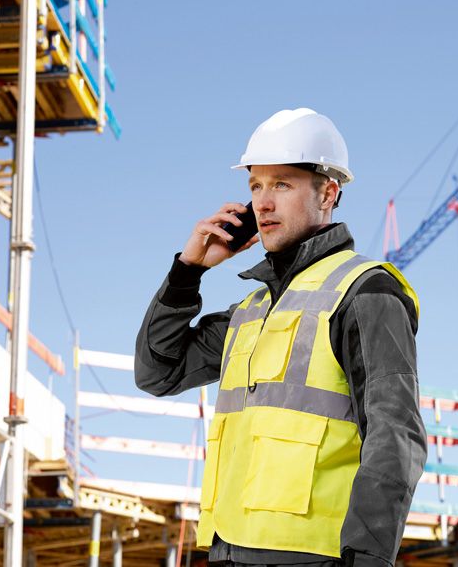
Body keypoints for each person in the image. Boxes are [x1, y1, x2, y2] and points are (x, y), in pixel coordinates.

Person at [134, 108, 427, 567]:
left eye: (282, 185)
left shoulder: (365, 291)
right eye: (255, 186)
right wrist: (186, 273)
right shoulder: (251, 313)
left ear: (328, 193)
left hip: (315, 557)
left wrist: (368, 558)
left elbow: (395, 436)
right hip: (228, 552)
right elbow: (157, 372)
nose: (262, 204)